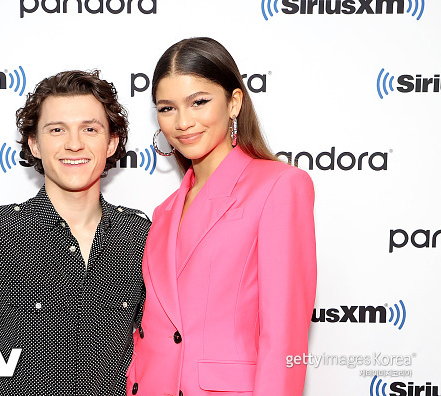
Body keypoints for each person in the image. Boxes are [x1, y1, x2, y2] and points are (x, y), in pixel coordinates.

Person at [0, 70, 150, 396]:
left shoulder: (140, 237)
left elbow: (160, 354)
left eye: (90, 129)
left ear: (111, 142)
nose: (74, 144)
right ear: (35, 143)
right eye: (57, 130)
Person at [126, 38, 317, 396]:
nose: (183, 122)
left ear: (234, 102)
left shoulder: (279, 186)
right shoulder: (164, 212)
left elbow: (285, 338)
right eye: (167, 109)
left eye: (198, 102)